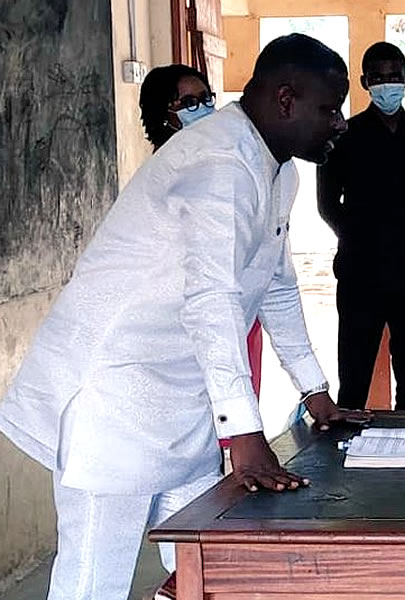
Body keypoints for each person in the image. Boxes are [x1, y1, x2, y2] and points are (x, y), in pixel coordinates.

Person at [0, 34, 353, 600]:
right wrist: (244, 432)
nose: (339, 123)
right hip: (114, 399)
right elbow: (211, 298)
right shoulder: (220, 163)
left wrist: (315, 393)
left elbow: (276, 287)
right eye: (330, 108)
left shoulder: (277, 170)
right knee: (94, 582)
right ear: (286, 101)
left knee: (198, 570)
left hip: (185, 400)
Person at [318, 41, 405, 412]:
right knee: (354, 380)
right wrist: (362, 238)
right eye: (378, 77)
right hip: (360, 279)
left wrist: (402, 235)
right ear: (364, 82)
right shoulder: (343, 137)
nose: (387, 84)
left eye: (394, 77)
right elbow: (327, 206)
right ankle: (345, 460)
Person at [140, 63, 266, 412]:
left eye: (207, 98)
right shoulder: (163, 174)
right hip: (185, 322)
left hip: (233, 309)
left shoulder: (225, 163)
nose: (206, 109)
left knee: (234, 409)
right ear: (165, 114)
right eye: (189, 103)